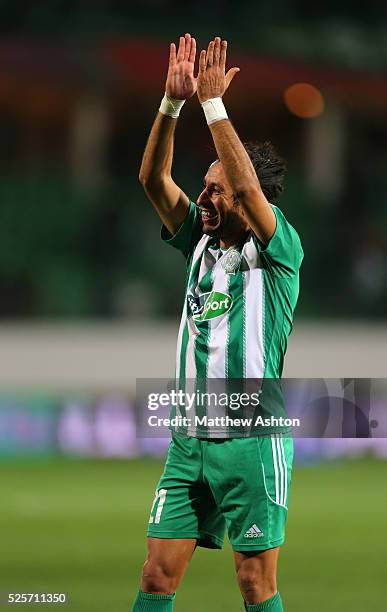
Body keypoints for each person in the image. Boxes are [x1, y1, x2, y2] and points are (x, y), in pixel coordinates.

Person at [134, 33, 303, 612]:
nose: (201, 198)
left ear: (242, 200)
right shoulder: (198, 244)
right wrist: (171, 104)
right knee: (157, 575)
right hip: (190, 441)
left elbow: (251, 189)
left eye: (213, 190)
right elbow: (153, 181)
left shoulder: (277, 252)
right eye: (202, 188)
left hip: (252, 441)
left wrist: (214, 106)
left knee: (255, 585)